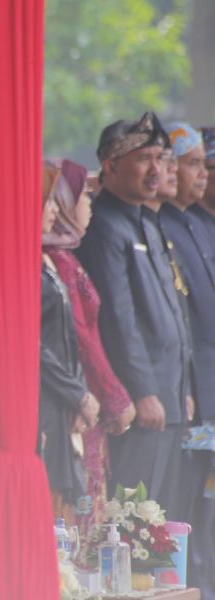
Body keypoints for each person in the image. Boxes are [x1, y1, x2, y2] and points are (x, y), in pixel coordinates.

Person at [75, 112, 193, 515]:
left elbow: (173, 311)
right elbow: (117, 318)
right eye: (144, 158)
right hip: (139, 401)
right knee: (132, 516)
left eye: (161, 158)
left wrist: (184, 386)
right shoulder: (105, 225)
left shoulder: (145, 220)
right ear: (110, 166)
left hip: (169, 393)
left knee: (161, 515)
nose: (156, 169)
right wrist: (142, 390)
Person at [42, 158, 134, 549]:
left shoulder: (61, 258)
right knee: (72, 524)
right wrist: (107, 397)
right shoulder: (56, 263)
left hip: (81, 401)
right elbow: (79, 339)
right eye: (83, 197)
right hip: (70, 403)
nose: (90, 205)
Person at [156, 123, 214, 597]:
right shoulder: (162, 223)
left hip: (203, 387)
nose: (193, 174)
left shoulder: (194, 221)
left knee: (202, 504)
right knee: (182, 503)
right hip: (186, 387)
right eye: (190, 162)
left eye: (198, 163)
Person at [38, 163, 101, 516]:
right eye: (47, 202)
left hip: (62, 401)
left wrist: (76, 395)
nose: (54, 211)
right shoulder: (15, 263)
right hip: (44, 403)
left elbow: (67, 338)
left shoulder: (44, 258)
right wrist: (76, 394)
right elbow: (32, 343)